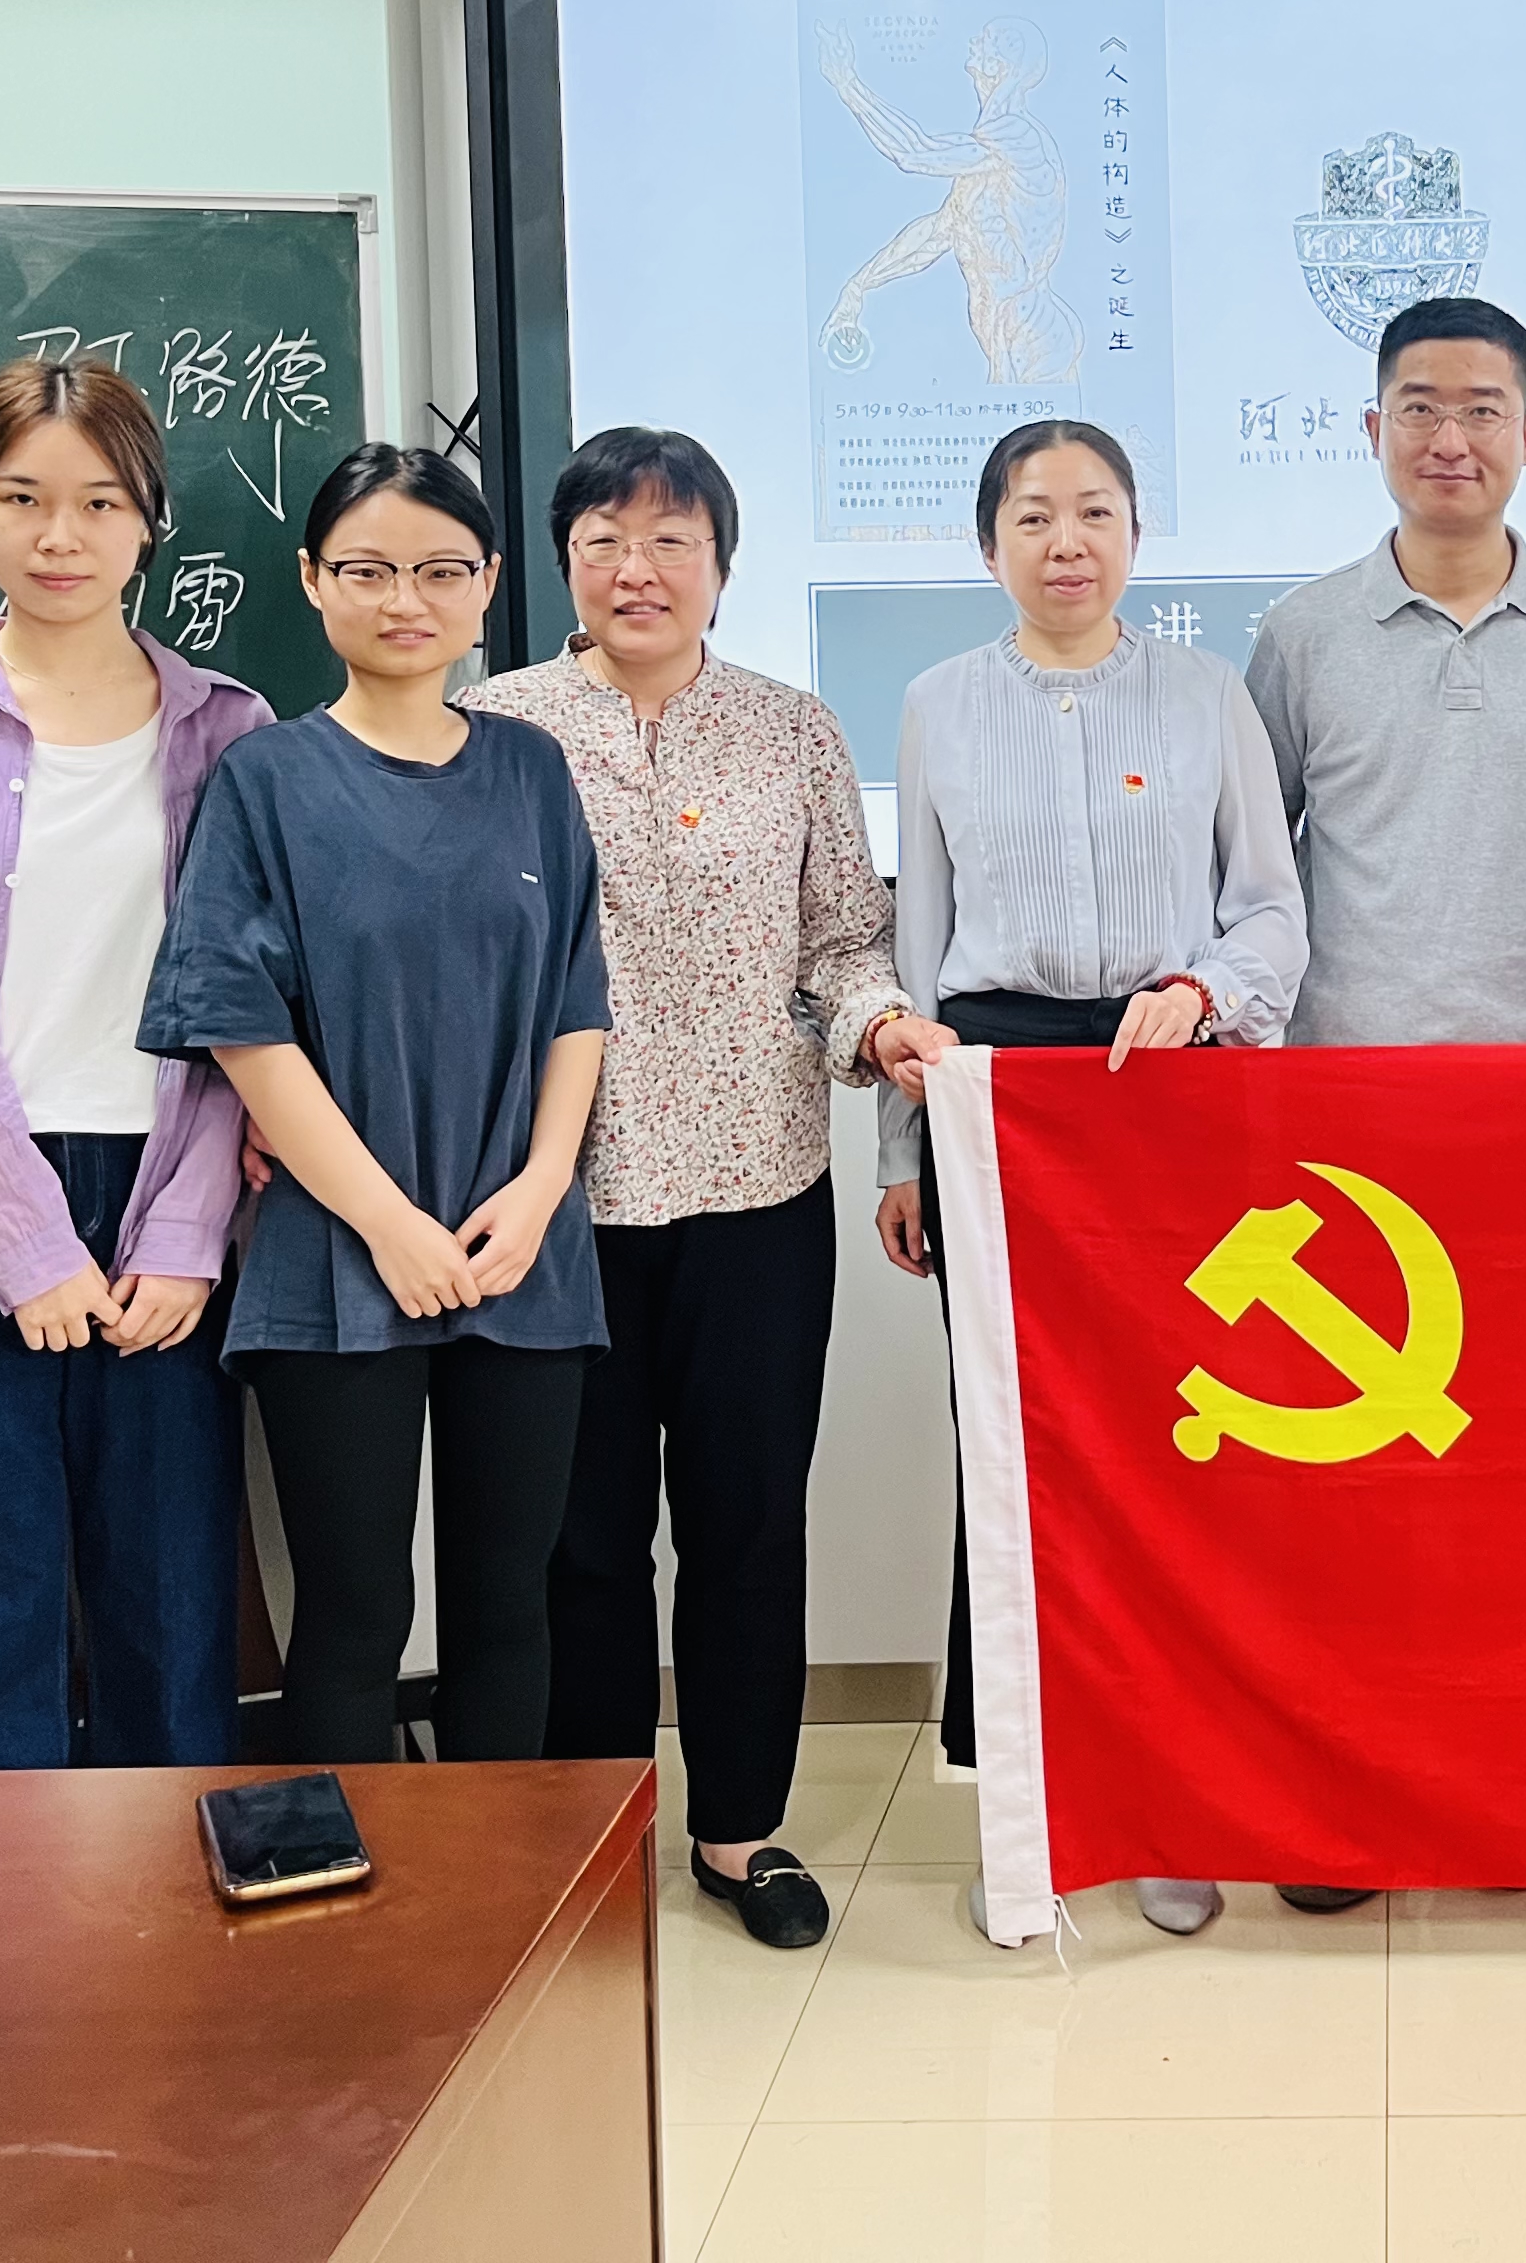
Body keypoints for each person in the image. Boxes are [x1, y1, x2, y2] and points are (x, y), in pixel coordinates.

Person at [1241, 294, 1526, 1915]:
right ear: (1372, 430)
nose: (1450, 437)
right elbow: (1254, 861)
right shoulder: (1300, 634)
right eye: (1418, 406)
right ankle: (1346, 1803)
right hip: (1346, 1122)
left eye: (1484, 408)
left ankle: (1503, 1793)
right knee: (1353, 1499)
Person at [470, 426, 908, 1952]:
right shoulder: (495, 728)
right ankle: (595, 1838)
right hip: (555, 1204)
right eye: (603, 539)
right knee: (577, 1543)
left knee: (745, 1525)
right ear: (562, 563)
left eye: (670, 540)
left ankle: (738, 1831)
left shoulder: (791, 731)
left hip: (757, 1191)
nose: (636, 569)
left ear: (721, 563)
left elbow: (845, 943)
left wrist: (883, 1030)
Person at [867, 418, 1306, 1942]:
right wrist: (906, 1149)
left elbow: (1273, 913)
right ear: (988, 542)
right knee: (1013, 1448)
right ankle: (1028, 1809)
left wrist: (1203, 992)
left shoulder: (1204, 696)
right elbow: (920, 942)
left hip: (1166, 1085)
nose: (1067, 542)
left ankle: (1171, 1799)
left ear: (1136, 533)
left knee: (1173, 1451)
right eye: (1035, 515)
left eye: (1097, 512)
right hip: (999, 1096)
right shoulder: (936, 703)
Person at [0, 358, 268, 1772]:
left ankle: (172, 1907)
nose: (59, 535)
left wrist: (189, 1235)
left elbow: (249, 1008)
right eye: (21, 498)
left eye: (98, 502)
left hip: (164, 1204)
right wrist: (25, 1247)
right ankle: (2, 1914)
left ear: (150, 520)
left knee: (173, 1610)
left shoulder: (233, 731)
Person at [141, 444, 609, 1762]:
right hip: (336, 1256)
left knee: (509, 1608)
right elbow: (240, 1025)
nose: (407, 600)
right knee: (353, 1617)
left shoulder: (531, 769)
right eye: (369, 570)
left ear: (488, 586)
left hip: (521, 1251)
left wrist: (540, 1192)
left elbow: (579, 1001)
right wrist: (388, 1224)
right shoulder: (267, 778)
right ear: (313, 581)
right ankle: (352, 1890)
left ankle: (501, 1886)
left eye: (441, 571)